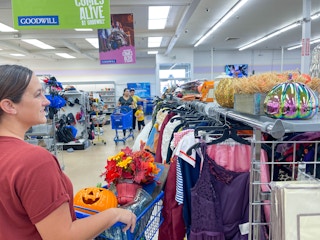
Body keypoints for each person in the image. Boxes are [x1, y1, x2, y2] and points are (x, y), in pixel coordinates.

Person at [0, 64, 136, 239]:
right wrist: (113, 214)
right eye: (37, 95)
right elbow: (63, 236)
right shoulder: (34, 161)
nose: (47, 101)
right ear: (9, 106)